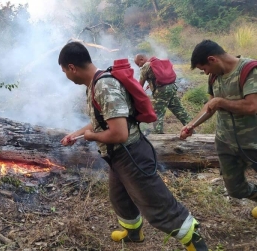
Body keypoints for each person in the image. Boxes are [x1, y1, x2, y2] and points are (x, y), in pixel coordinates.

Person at [59, 41, 208, 250]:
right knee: (119, 197)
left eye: (64, 70)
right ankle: (133, 233)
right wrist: (76, 134)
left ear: (72, 67)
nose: (65, 75)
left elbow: (119, 134)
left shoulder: (103, 86)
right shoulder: (96, 84)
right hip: (118, 156)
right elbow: (103, 120)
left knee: (156, 203)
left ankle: (195, 241)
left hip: (131, 155)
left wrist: (92, 137)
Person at [180, 39, 257, 214]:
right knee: (236, 190)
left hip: (253, 142)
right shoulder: (215, 76)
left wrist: (221, 101)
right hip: (226, 143)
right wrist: (191, 125)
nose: (206, 73)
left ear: (212, 59)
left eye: (204, 68)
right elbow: (210, 106)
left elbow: (252, 106)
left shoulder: (249, 70)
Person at [134, 54, 191, 134]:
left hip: (161, 91)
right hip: (171, 87)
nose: (138, 66)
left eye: (138, 64)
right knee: (179, 110)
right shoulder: (157, 61)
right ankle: (191, 128)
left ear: (141, 59)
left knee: (158, 114)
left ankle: (158, 135)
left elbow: (140, 85)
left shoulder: (145, 66)